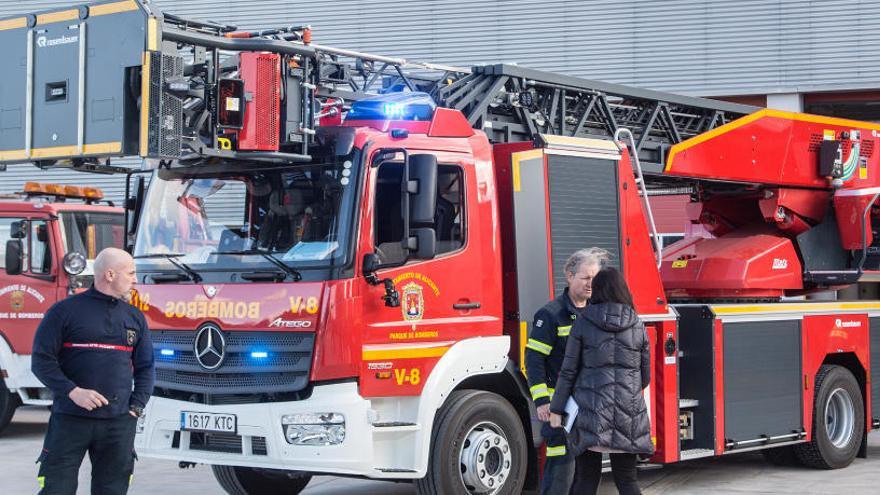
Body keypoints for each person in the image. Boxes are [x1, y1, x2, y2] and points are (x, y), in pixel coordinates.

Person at [31, 247, 155, 495]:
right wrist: (73, 392)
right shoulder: (63, 312)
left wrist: (136, 407)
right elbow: (41, 361)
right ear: (109, 274)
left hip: (118, 423)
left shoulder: (135, 317)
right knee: (56, 489)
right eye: (130, 272)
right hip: (70, 420)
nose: (134, 279)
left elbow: (146, 367)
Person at [549, 267, 652, 495]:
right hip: (629, 415)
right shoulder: (637, 324)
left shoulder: (583, 322)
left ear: (597, 291)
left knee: (586, 479)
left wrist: (557, 409)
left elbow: (568, 372)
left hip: (590, 414)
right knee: (627, 480)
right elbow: (645, 376)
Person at [525, 247, 609, 494]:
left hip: (589, 405)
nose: (591, 283)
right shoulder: (551, 315)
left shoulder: (598, 311)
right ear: (570, 276)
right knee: (561, 464)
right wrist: (542, 401)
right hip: (559, 406)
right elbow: (534, 360)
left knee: (586, 468)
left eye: (595, 278)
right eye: (585, 277)